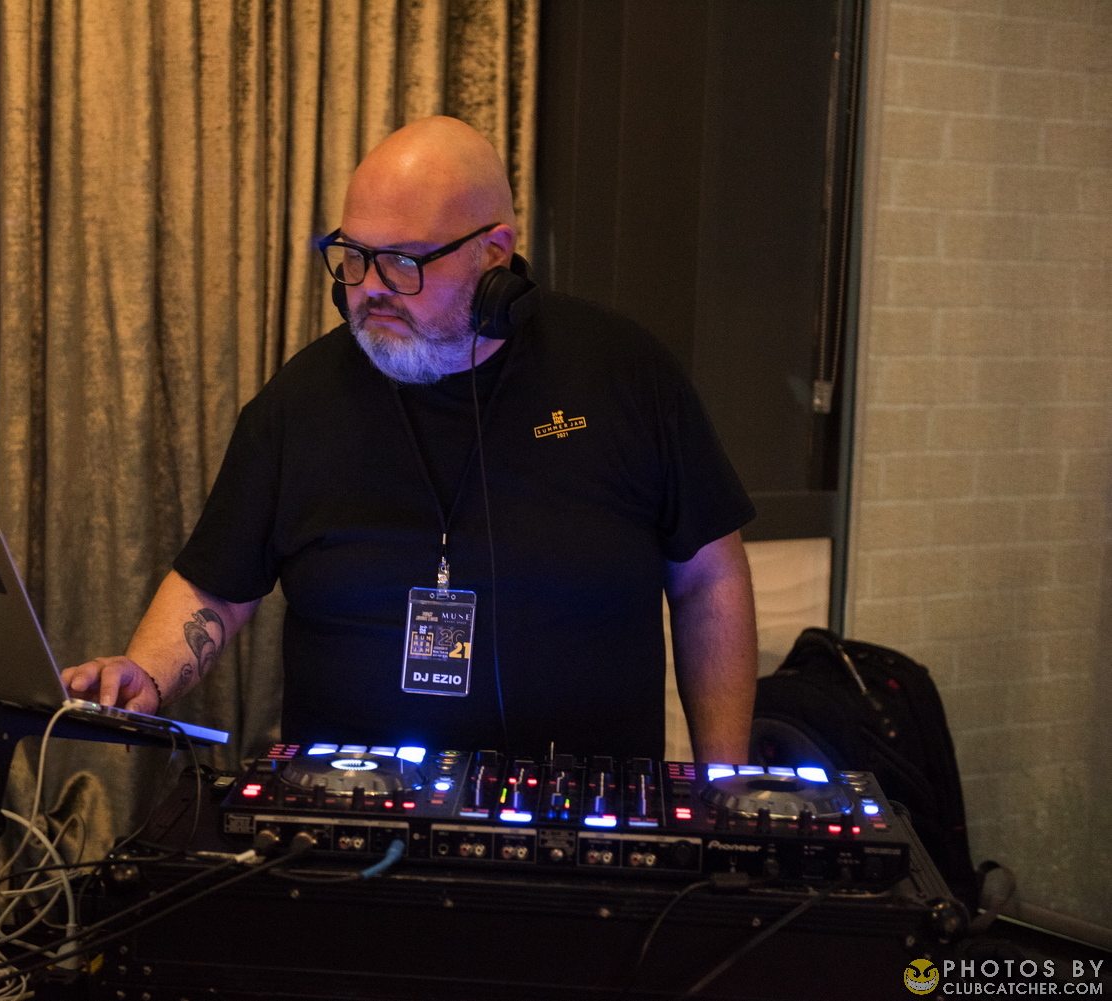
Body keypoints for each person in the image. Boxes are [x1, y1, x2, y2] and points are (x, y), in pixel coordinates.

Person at [62, 116, 758, 763]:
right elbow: (214, 586)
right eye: (352, 256)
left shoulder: (625, 375)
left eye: (401, 261)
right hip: (348, 807)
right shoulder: (299, 402)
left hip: (583, 811)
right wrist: (146, 674)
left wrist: (724, 785)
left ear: (494, 253)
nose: (369, 289)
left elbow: (709, 578)